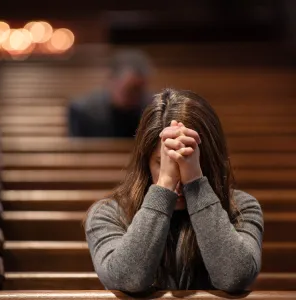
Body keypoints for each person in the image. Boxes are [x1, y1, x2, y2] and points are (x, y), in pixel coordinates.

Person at [85, 88, 263, 293]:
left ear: (210, 162)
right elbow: (127, 279)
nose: (178, 178)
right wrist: (165, 184)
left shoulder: (242, 207)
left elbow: (235, 277)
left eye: (189, 162)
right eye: (162, 163)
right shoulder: (108, 214)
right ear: (145, 162)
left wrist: (195, 182)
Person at [68, 50, 152, 137]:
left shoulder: (151, 109)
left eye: (140, 90)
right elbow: (77, 148)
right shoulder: (82, 110)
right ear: (111, 80)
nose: (136, 96)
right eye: (131, 89)